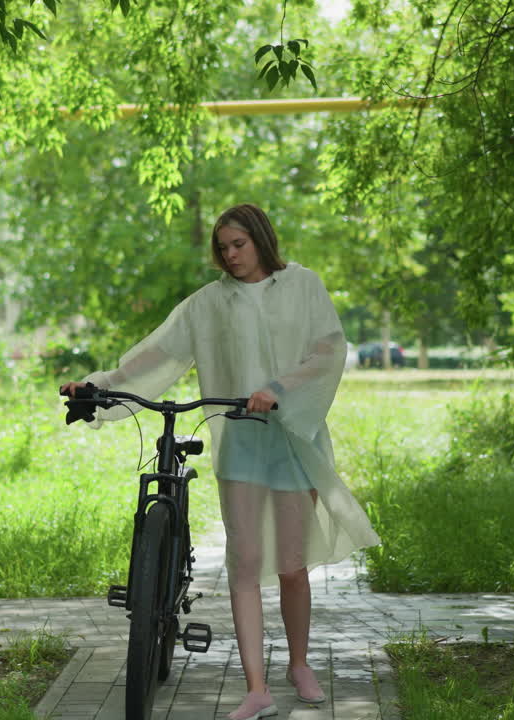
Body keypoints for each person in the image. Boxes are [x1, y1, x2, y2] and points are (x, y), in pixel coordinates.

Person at [60, 203, 381, 720]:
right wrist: (97, 388)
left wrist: (277, 390)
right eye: (223, 248)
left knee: (293, 565)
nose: (230, 256)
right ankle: (256, 689)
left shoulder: (303, 286)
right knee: (245, 563)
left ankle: (299, 663)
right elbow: (155, 356)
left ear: (260, 240)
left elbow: (327, 352)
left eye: (240, 245)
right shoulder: (208, 304)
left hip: (295, 439)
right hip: (241, 446)